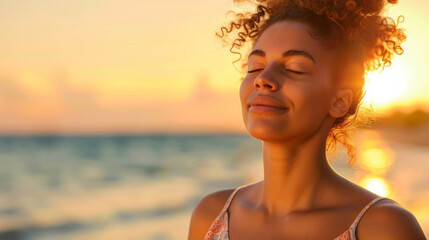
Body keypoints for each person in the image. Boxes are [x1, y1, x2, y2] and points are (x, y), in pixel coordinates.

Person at [188, 0, 427, 239]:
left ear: (339, 101)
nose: (263, 79)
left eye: (295, 68)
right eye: (254, 67)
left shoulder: (384, 227)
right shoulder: (212, 215)